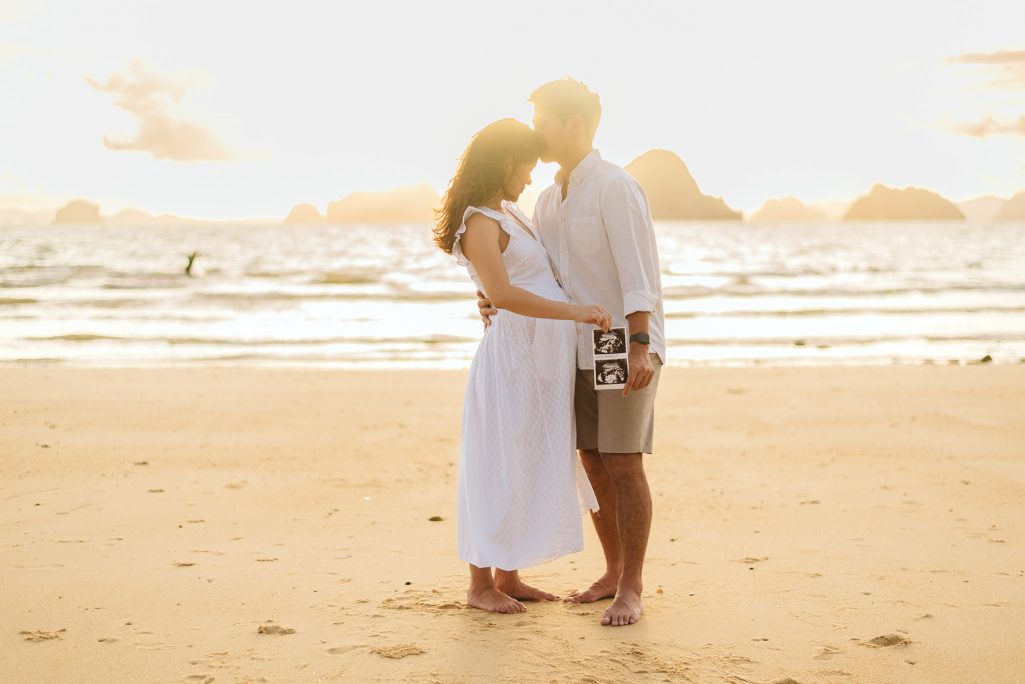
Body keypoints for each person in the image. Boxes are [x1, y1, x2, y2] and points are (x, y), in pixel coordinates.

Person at [478, 79, 666, 626]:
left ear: (574, 124)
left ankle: (632, 587)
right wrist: (487, 295)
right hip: (568, 346)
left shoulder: (615, 186)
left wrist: (638, 346)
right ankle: (612, 571)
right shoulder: (546, 198)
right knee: (592, 460)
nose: (536, 133)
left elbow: (639, 275)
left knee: (623, 462)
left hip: (617, 342)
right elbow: (529, 265)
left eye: (542, 122)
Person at [432, 118, 611, 614]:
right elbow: (503, 293)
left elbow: (519, 281)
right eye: (525, 168)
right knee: (495, 466)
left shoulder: (507, 212)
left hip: (538, 363)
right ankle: (479, 585)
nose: (530, 179)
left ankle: (508, 575)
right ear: (505, 162)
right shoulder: (479, 221)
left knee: (522, 464)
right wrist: (576, 311)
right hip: (511, 363)